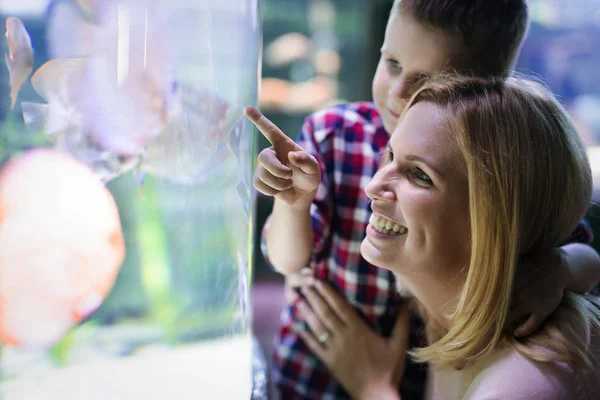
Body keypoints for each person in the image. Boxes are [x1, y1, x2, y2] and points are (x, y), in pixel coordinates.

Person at [248, 0, 600, 398]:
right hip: (313, 370)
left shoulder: (502, 173)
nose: (398, 95)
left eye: (426, 79)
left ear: (480, 91)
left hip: (420, 377)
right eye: (392, 64)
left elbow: (576, 248)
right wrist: (293, 203)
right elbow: (286, 260)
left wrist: (556, 270)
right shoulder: (335, 136)